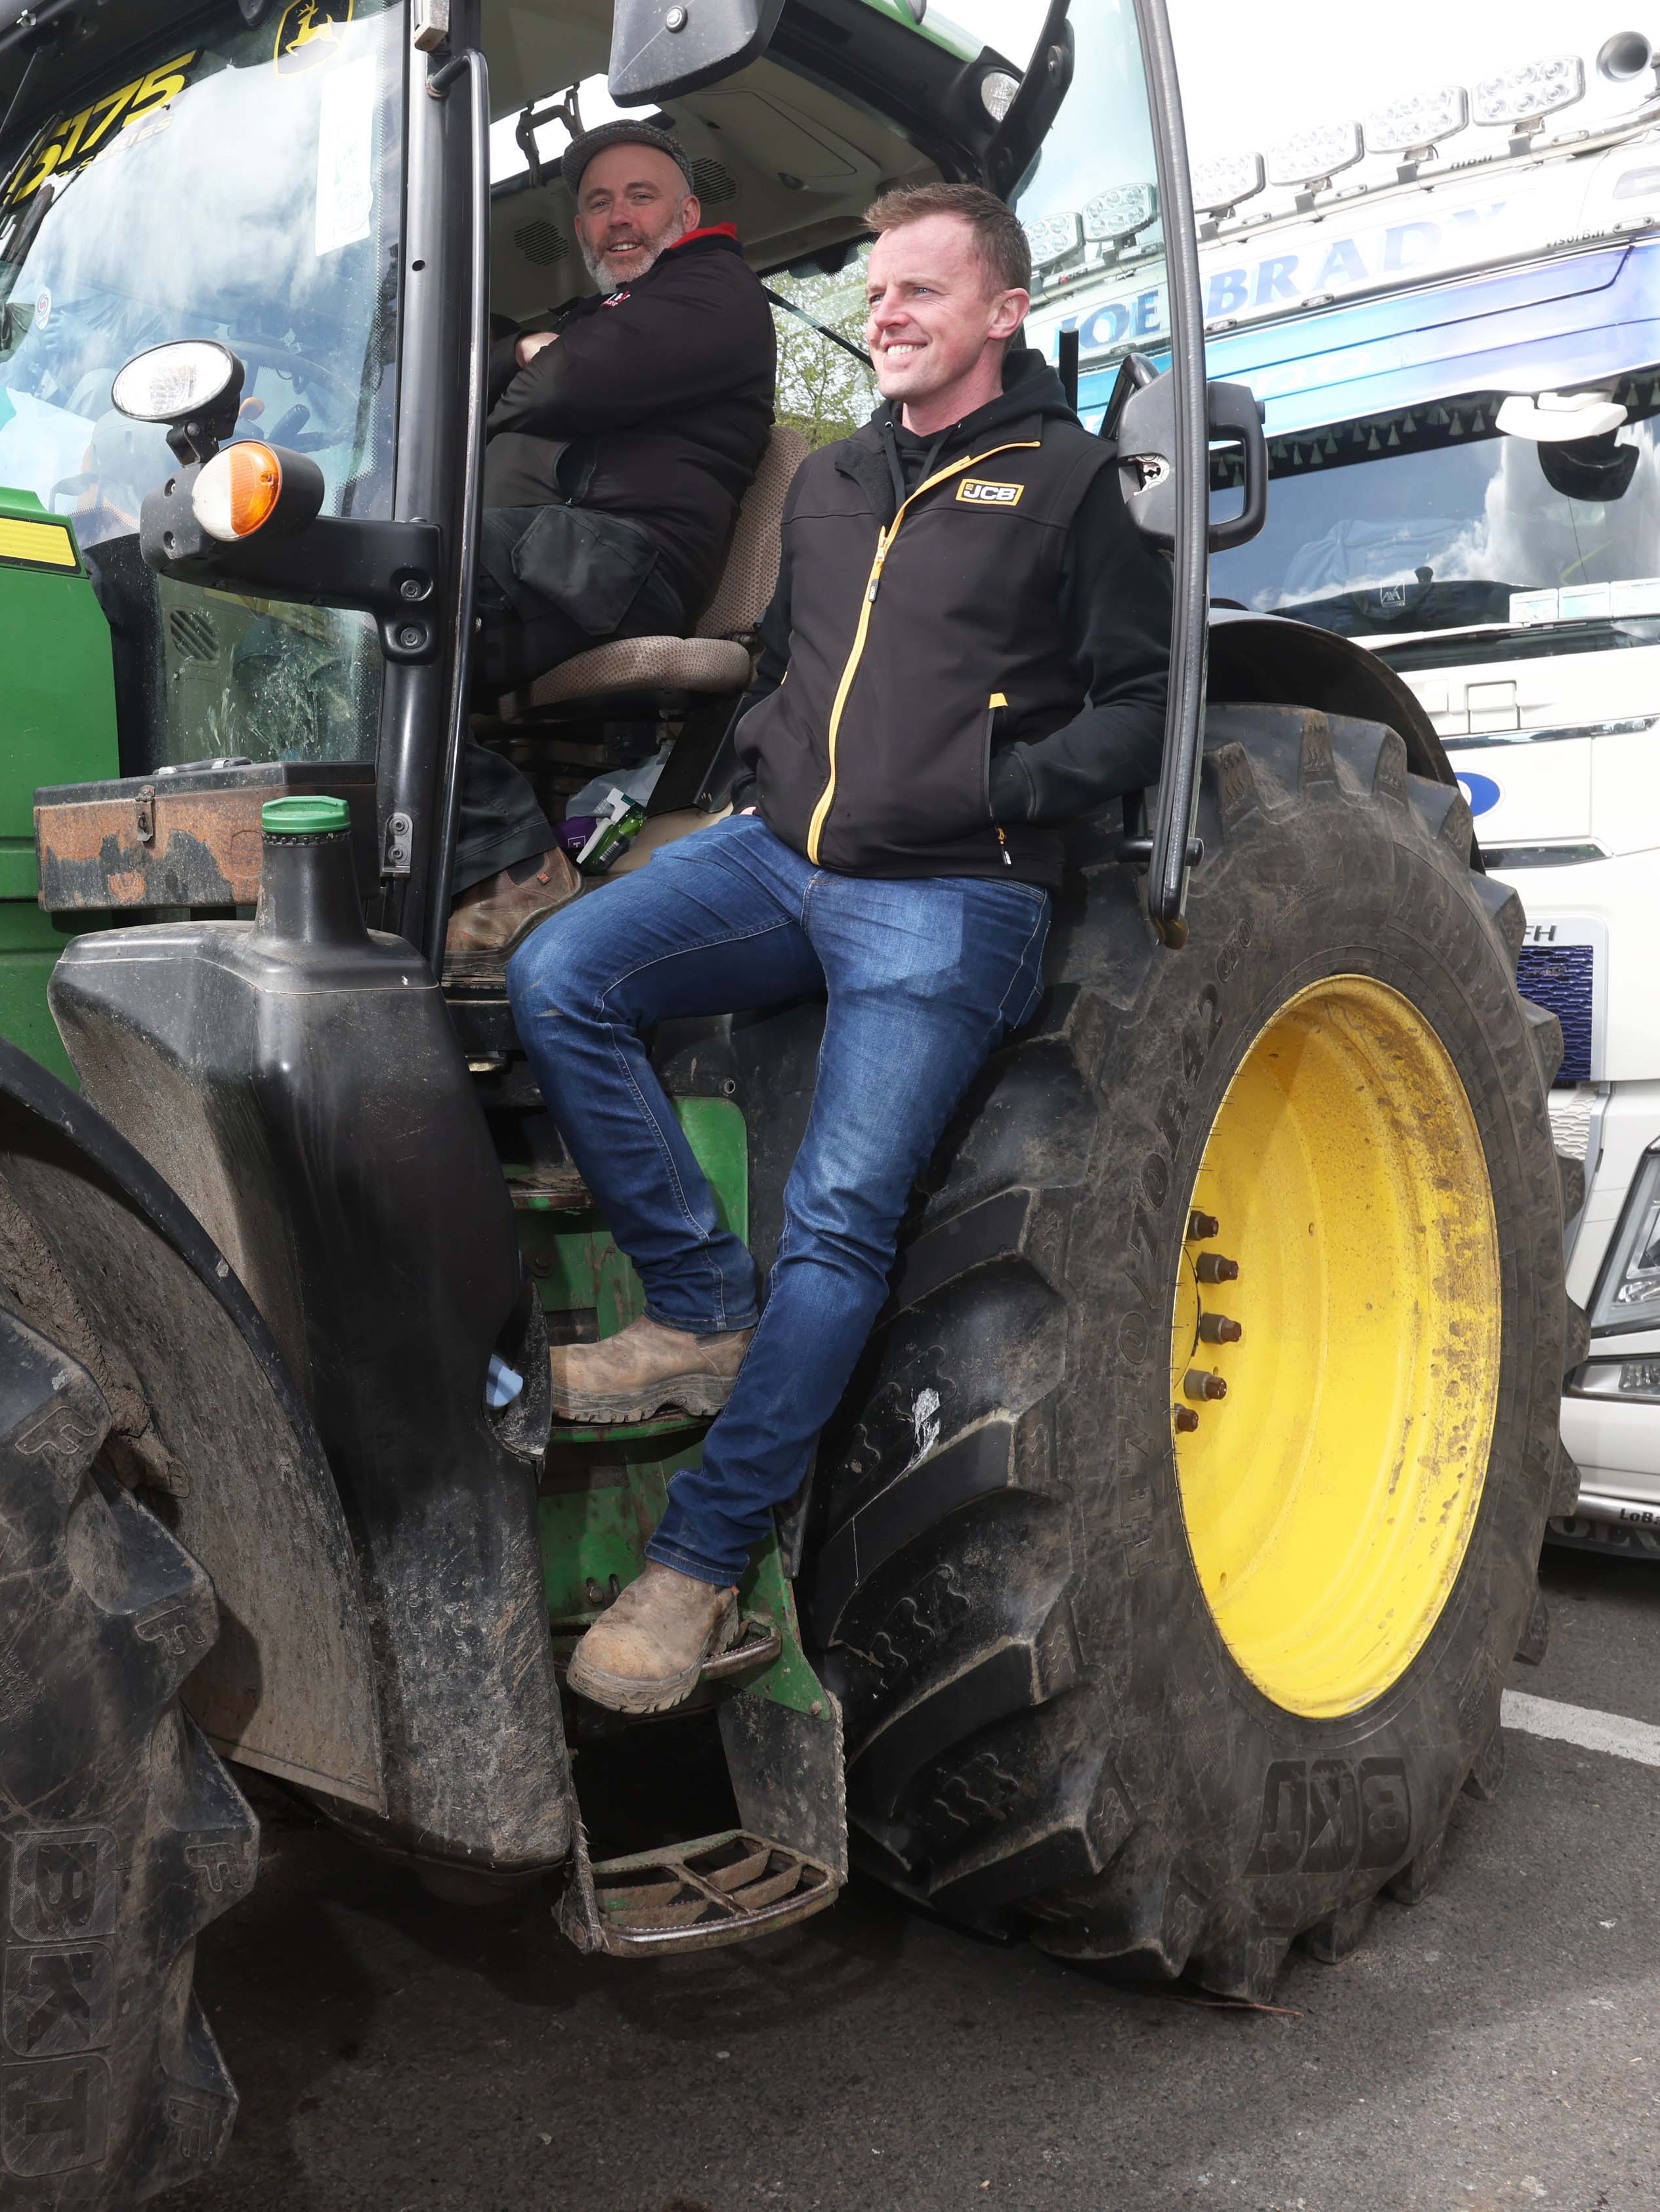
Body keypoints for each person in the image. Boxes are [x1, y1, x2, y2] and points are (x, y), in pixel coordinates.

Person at [507, 181, 1168, 1712]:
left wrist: (1000, 791)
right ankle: (695, 1304)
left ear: (1001, 309)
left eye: (919, 290)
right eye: (874, 294)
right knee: (558, 974)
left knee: (836, 1222)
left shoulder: (1067, 484)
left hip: (947, 893)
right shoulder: (830, 479)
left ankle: (692, 1564)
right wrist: (762, 768)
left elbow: (1139, 703)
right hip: (785, 858)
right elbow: (781, 663)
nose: (886, 315)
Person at [443, 119, 771, 975]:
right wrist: (519, 351)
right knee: (326, 626)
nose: (617, 218)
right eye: (597, 204)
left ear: (687, 213)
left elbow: (569, 382)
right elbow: (465, 397)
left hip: (620, 560)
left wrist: (518, 382)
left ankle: (513, 865)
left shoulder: (714, 286)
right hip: (553, 556)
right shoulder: (599, 315)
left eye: (639, 196)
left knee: (404, 576)